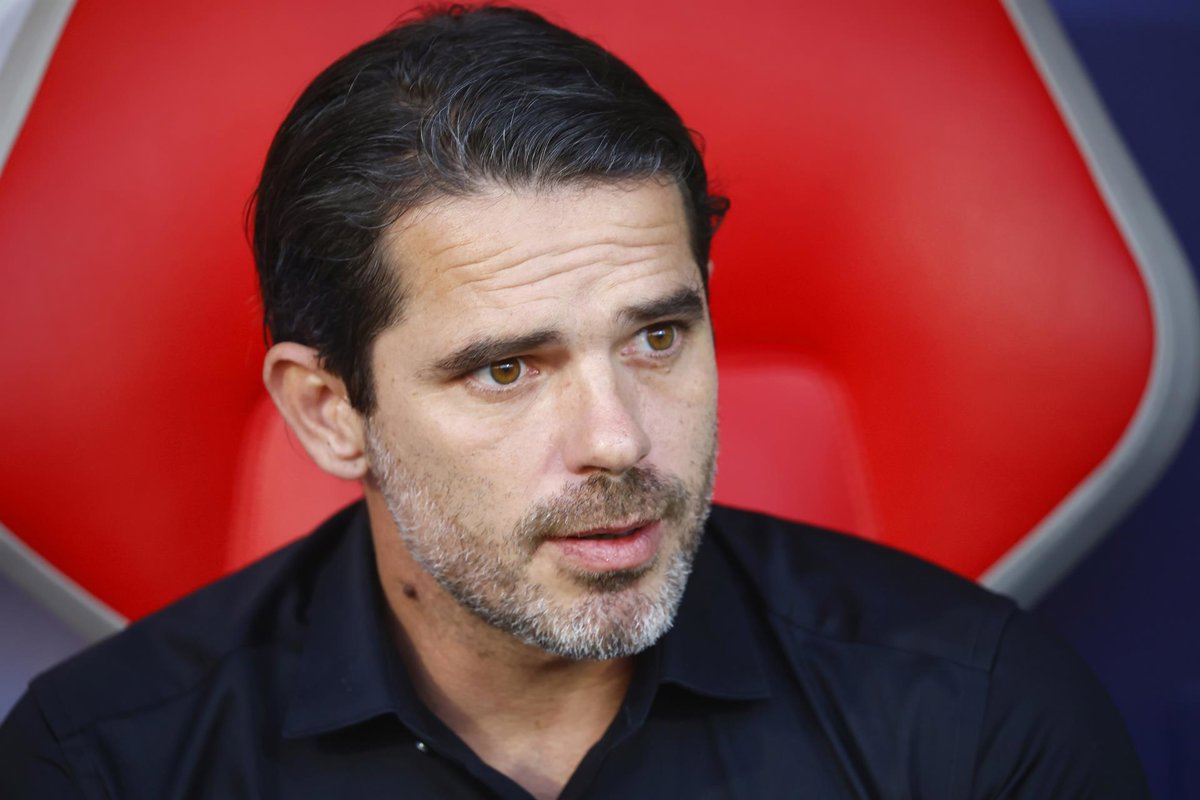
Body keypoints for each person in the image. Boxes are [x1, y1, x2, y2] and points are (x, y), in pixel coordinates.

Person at [0, 5, 1149, 797]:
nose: (619, 439)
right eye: (507, 368)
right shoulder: (103, 763)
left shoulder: (980, 716)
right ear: (328, 408)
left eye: (658, 336)